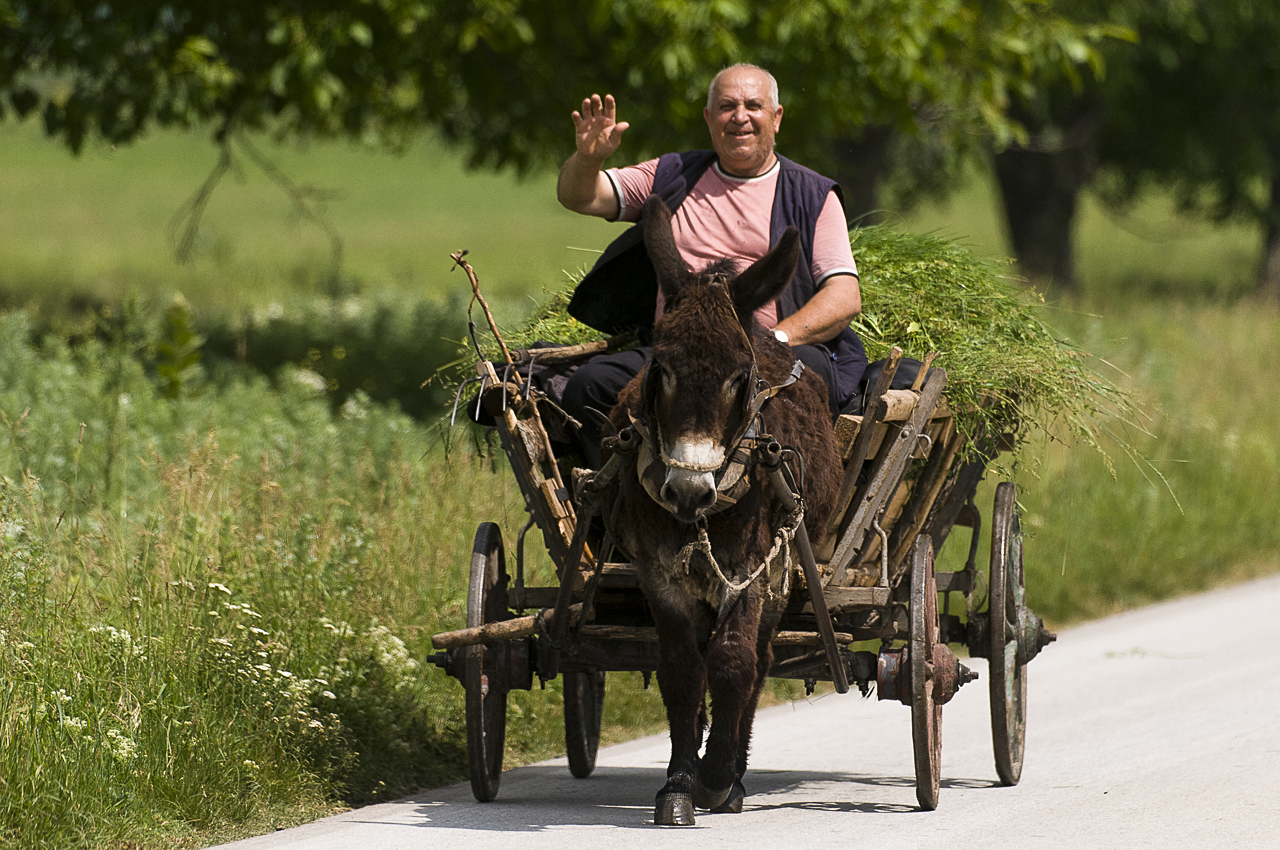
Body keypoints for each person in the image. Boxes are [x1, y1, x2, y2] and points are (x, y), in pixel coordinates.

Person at [556, 64, 867, 467]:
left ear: (776, 117)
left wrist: (777, 340)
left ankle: (780, 511)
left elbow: (844, 296)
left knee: (801, 385)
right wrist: (586, 159)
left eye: (753, 106)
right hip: (677, 354)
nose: (740, 116)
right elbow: (581, 197)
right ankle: (619, 510)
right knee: (588, 386)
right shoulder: (672, 175)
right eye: (726, 106)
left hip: (766, 352)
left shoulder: (813, 195)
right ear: (708, 119)